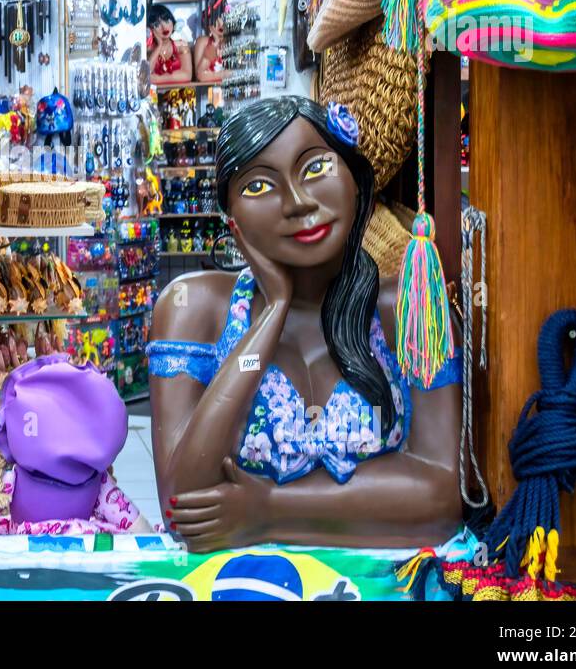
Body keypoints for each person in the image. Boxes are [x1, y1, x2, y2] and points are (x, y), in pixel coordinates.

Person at [147, 96, 462, 552]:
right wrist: (272, 311)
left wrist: (269, 510)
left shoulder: (409, 309)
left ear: (355, 181)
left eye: (315, 168)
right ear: (231, 219)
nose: (297, 202)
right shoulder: (194, 308)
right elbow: (185, 506)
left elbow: (441, 497)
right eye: (259, 187)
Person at [0, 355, 153, 536]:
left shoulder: (13, 482)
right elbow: (142, 531)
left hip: (26, 567)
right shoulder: (98, 484)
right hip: (76, 565)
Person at [147, 4, 192, 85]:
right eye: (157, 25)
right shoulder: (148, 49)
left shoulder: (181, 45)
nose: (164, 27)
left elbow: (187, 75)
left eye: (167, 21)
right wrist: (159, 46)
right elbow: (146, 76)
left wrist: (157, 79)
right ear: (150, 29)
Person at [193, 14, 225, 83]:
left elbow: (239, 74)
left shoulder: (235, 42)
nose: (220, 25)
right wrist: (214, 44)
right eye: (216, 23)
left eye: (224, 20)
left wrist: (211, 75)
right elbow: (200, 76)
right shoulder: (203, 42)